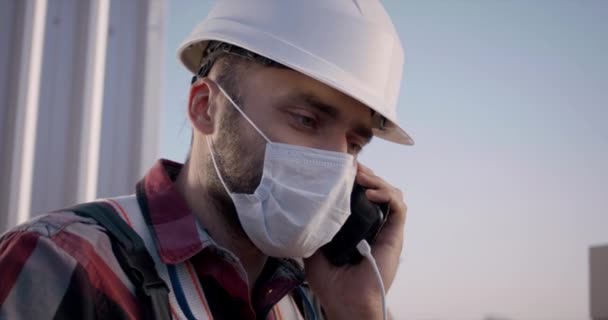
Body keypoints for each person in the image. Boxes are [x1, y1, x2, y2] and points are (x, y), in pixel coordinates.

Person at [0, 0, 413, 319]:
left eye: (354, 144)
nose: (334, 161)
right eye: (306, 119)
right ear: (205, 108)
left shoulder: (315, 298)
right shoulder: (61, 263)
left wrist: (360, 312)